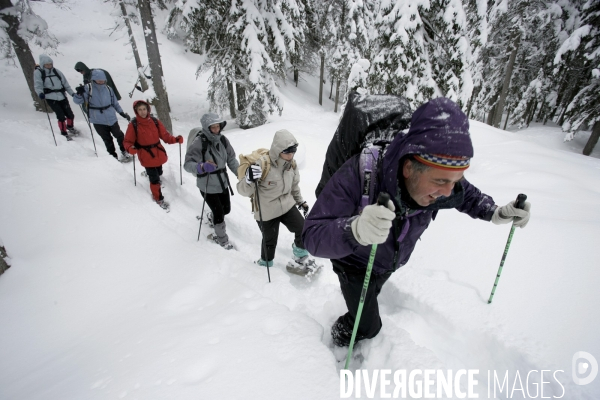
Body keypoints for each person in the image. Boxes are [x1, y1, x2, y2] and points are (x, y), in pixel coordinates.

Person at [302, 97, 532, 347]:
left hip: (388, 261)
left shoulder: (440, 177)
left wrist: (496, 212)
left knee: (370, 298)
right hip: (355, 262)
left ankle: (359, 314)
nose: (447, 191)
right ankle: (339, 337)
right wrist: (355, 230)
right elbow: (312, 235)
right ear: (409, 167)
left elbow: (467, 196)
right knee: (368, 326)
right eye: (441, 181)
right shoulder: (359, 174)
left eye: (455, 180)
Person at [237, 129, 311, 270]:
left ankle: (299, 258)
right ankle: (264, 264)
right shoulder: (262, 165)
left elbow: (294, 186)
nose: (290, 156)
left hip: (286, 205)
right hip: (267, 210)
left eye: (293, 152)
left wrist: (300, 201)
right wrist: (248, 179)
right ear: (278, 150)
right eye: (287, 152)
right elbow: (242, 190)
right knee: (270, 241)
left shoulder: (292, 165)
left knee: (303, 229)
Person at [184, 113, 239, 250]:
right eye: (213, 127)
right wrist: (202, 167)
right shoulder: (199, 142)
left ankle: (212, 216)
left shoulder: (223, 140)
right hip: (207, 184)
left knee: (226, 209)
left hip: (222, 182)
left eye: (218, 126)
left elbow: (231, 159)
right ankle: (221, 239)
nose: (216, 130)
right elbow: (187, 164)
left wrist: (241, 174)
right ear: (207, 128)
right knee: (219, 214)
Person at [123, 100, 183, 211]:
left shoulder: (155, 121)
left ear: (148, 109)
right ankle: (158, 198)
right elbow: (127, 141)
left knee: (159, 172)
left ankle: (152, 175)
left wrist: (175, 139)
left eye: (144, 109)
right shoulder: (133, 124)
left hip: (158, 152)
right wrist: (129, 148)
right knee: (154, 178)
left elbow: (165, 136)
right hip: (145, 154)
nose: (142, 112)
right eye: (139, 110)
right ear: (136, 111)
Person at [73, 70, 132, 162]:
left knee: (119, 135)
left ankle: (124, 151)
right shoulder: (88, 88)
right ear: (93, 79)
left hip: (111, 117)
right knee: (107, 139)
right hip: (97, 119)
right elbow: (77, 101)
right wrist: (79, 94)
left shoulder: (108, 89)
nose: (101, 82)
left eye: (102, 80)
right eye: (98, 80)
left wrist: (121, 112)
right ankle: (113, 156)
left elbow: (115, 103)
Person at [33, 54, 76, 139]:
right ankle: (64, 133)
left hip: (62, 96)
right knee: (60, 116)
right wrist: (40, 93)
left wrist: (72, 94)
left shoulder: (57, 71)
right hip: (50, 97)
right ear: (42, 64)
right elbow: (38, 85)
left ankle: (70, 127)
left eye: (50, 64)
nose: (49, 66)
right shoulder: (38, 73)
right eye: (47, 64)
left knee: (70, 114)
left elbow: (66, 84)